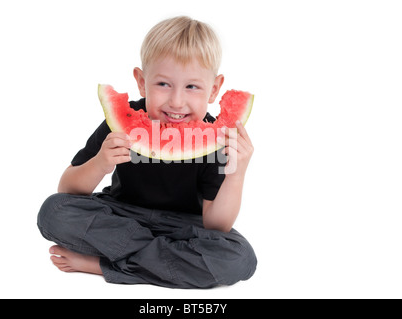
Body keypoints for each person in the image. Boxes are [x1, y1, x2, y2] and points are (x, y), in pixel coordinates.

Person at [37, 16, 257, 289]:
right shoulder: (121, 120)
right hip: (120, 215)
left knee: (240, 258)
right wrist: (101, 164)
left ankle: (103, 264)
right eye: (163, 84)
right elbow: (67, 188)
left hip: (184, 228)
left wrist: (236, 175)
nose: (176, 101)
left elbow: (216, 226)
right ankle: (162, 263)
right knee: (53, 211)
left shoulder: (216, 138)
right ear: (142, 82)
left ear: (213, 89)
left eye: (192, 86)